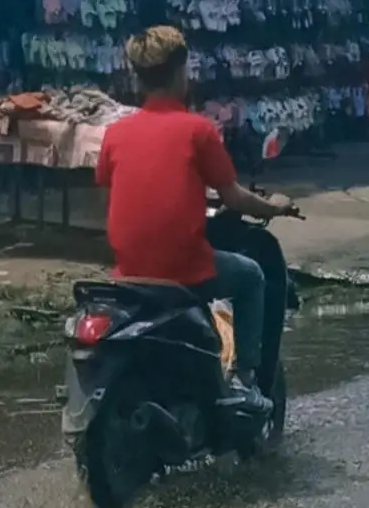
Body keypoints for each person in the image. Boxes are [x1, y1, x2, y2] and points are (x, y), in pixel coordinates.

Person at [96, 24, 296, 418]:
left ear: (137, 77)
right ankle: (244, 381)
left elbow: (116, 185)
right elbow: (234, 197)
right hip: (183, 269)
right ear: (180, 72)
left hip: (128, 272)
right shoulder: (198, 130)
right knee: (252, 276)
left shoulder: (115, 133)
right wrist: (274, 206)